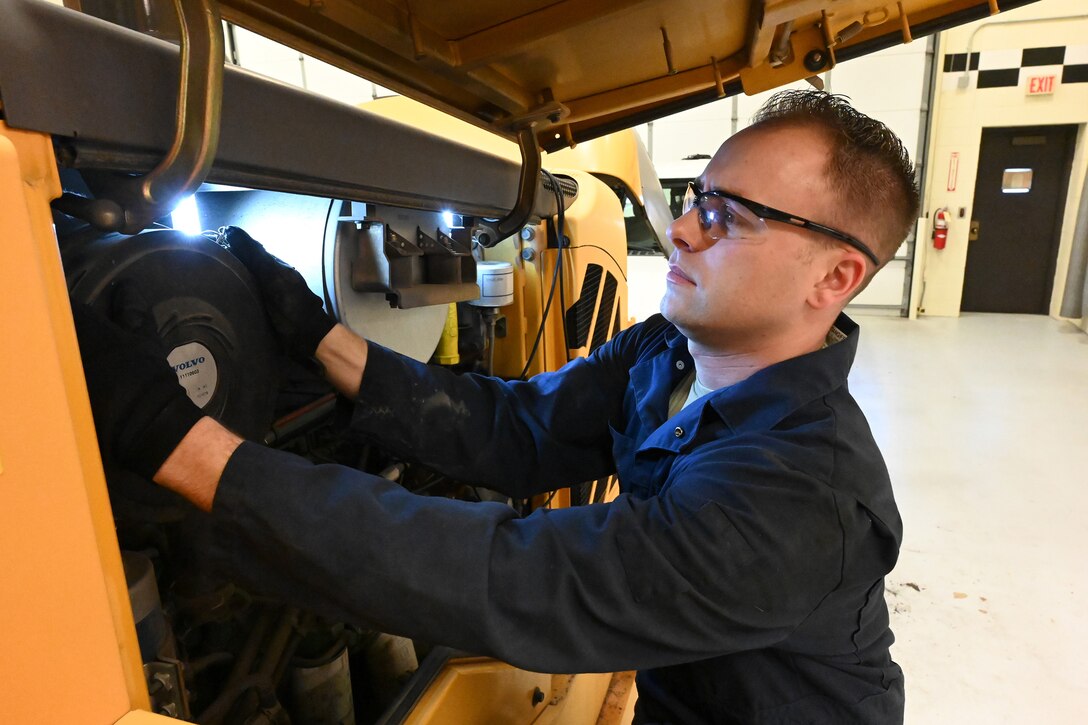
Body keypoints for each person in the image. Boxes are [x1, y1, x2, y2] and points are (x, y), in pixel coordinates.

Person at [74, 90, 920, 723]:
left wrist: (185, 447)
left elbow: (521, 580)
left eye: (731, 217)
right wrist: (322, 338)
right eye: (697, 197)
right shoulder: (667, 351)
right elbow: (520, 426)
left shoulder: (800, 495)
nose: (686, 232)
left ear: (835, 276)